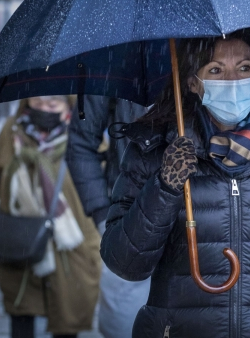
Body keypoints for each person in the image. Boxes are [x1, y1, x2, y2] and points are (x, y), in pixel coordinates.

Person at [100, 29, 250, 337]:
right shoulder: (154, 151)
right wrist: (165, 187)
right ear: (193, 83)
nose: (233, 81)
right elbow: (126, 264)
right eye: (215, 70)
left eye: (244, 68)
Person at [0, 96, 101, 338]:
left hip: (73, 243)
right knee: (21, 312)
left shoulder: (85, 136)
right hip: (21, 239)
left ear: (68, 107)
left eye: (52, 105)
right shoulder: (11, 131)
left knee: (68, 315)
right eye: (37, 104)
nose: (44, 110)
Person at [66, 96, 150, 338]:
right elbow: (80, 142)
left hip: (195, 218)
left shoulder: (203, 61)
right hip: (126, 214)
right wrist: (102, 213)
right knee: (123, 319)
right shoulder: (112, 67)